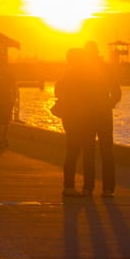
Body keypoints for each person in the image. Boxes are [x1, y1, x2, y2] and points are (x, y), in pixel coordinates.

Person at [54, 48, 97, 196]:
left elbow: (58, 91)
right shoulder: (88, 74)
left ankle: (69, 186)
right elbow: (93, 96)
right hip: (87, 118)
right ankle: (88, 188)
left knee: (72, 152)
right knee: (88, 154)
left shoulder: (66, 75)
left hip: (70, 118)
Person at [84, 41, 122, 197]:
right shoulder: (104, 69)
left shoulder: (83, 70)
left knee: (90, 151)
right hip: (100, 114)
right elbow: (117, 92)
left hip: (88, 115)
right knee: (106, 152)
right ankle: (107, 189)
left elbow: (116, 92)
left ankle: (88, 187)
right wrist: (109, 104)